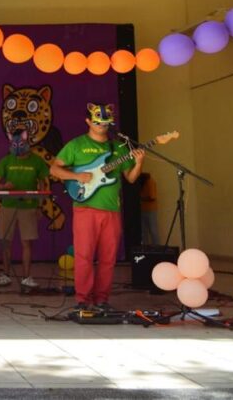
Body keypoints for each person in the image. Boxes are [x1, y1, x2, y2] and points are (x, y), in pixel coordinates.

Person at [52, 103, 144, 311]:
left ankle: (102, 299)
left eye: (105, 122)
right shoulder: (76, 144)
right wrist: (76, 176)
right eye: (98, 121)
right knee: (84, 256)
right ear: (88, 121)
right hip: (85, 208)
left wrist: (139, 163)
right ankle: (83, 300)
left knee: (108, 258)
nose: (102, 125)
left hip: (112, 209)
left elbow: (130, 178)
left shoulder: (118, 147)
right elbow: (54, 169)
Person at [0, 128, 50, 288]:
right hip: (8, 206)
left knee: (27, 243)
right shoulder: (6, 160)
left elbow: (43, 184)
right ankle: (5, 275)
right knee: (5, 242)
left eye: (21, 143)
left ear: (28, 141)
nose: (18, 147)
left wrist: (40, 205)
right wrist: (3, 186)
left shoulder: (37, 161)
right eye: (14, 143)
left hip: (28, 206)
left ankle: (26, 277)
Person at [139, 172, 159, 245]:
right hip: (142, 210)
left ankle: (157, 249)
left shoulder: (150, 182)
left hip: (151, 210)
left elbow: (152, 197)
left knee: (153, 231)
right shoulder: (142, 183)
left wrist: (140, 198)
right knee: (144, 233)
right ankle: (146, 249)